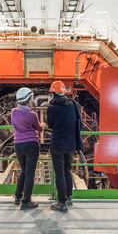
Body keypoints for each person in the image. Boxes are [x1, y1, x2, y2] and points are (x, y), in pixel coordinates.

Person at [47, 81, 83, 212]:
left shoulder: (51, 108)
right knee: (67, 171)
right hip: (71, 144)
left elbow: (50, 125)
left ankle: (61, 202)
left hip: (57, 145)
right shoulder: (74, 104)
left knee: (59, 174)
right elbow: (80, 123)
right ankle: (69, 197)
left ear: (53, 93)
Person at [11, 87, 45, 210]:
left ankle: (17, 196)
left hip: (18, 145)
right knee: (30, 173)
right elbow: (39, 129)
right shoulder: (32, 114)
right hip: (31, 145)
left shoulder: (13, 112)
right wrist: (42, 125)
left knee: (24, 171)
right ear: (28, 99)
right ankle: (26, 201)